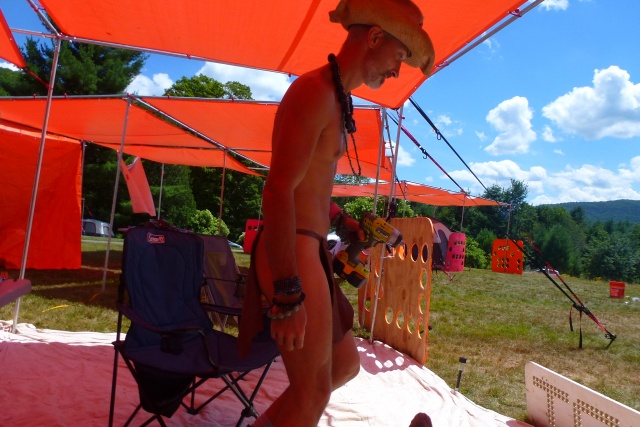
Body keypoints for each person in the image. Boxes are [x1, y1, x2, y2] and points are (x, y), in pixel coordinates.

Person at [238, 1, 435, 425]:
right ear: (375, 37)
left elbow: (306, 186)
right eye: (399, 56)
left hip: (309, 248)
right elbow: (277, 190)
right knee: (312, 392)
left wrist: (342, 220)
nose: (397, 70)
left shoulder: (334, 96)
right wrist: (288, 293)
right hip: (293, 249)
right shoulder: (314, 91)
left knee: (343, 367)